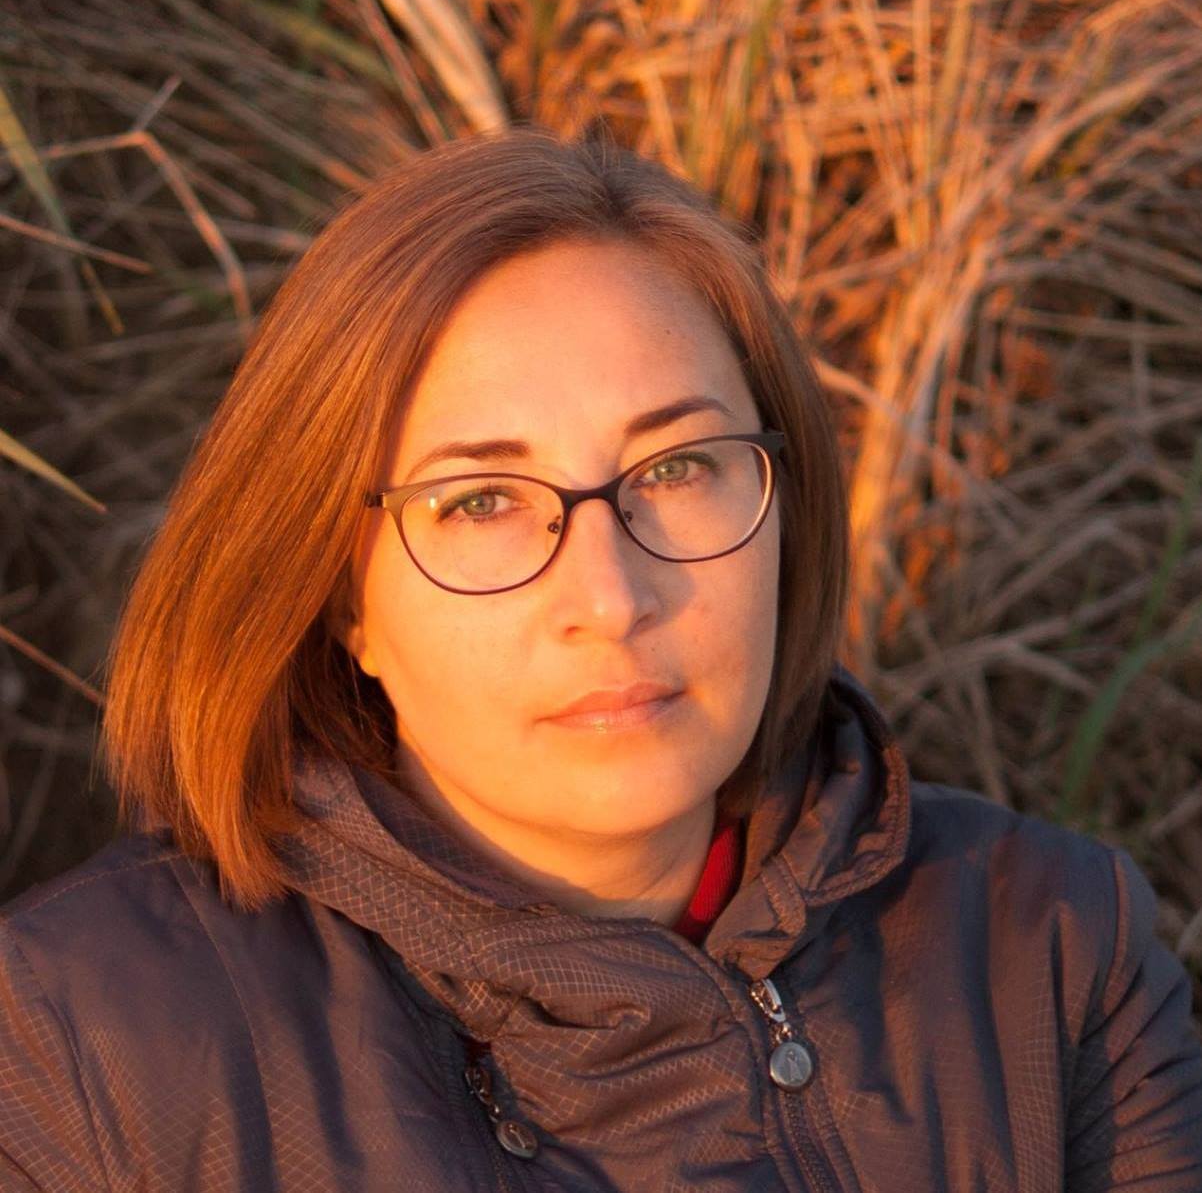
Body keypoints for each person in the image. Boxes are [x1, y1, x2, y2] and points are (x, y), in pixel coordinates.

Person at [1, 124, 1199, 1193]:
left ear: (783, 509)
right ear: (338, 594)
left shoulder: (1045, 947)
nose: (610, 598)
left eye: (674, 469)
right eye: (480, 500)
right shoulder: (78, 1051)